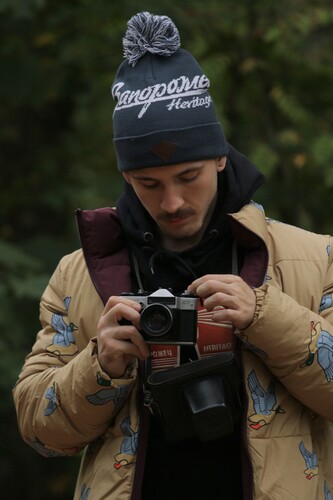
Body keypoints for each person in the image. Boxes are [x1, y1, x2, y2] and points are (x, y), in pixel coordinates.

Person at [13, 11, 333, 500]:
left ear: (221, 156)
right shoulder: (78, 275)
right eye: (149, 184)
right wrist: (101, 366)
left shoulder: (312, 258)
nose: (173, 203)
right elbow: (39, 431)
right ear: (125, 177)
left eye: (189, 176)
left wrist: (263, 316)